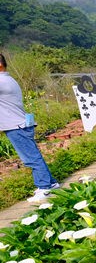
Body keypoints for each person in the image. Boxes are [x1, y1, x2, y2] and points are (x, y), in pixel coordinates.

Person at [0, 53, 59, 202]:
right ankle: (51, 183)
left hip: (16, 126)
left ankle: (44, 187)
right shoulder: (8, 79)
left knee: (31, 158)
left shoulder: (1, 81)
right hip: (20, 124)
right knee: (33, 155)